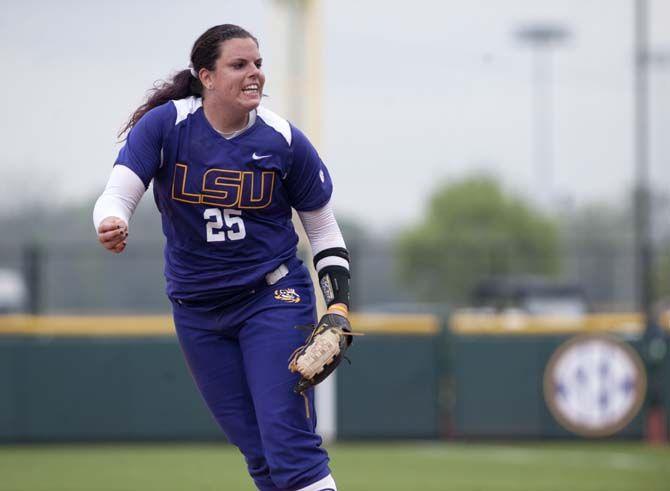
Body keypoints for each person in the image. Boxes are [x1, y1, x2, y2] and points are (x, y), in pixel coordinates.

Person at [93, 24, 351, 491]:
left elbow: (324, 230)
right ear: (206, 76)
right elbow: (117, 193)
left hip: (273, 296)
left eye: (258, 63)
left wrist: (337, 305)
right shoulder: (168, 125)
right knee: (258, 454)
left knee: (290, 448)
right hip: (197, 309)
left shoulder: (283, 141)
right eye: (239, 65)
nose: (254, 74)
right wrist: (112, 220)